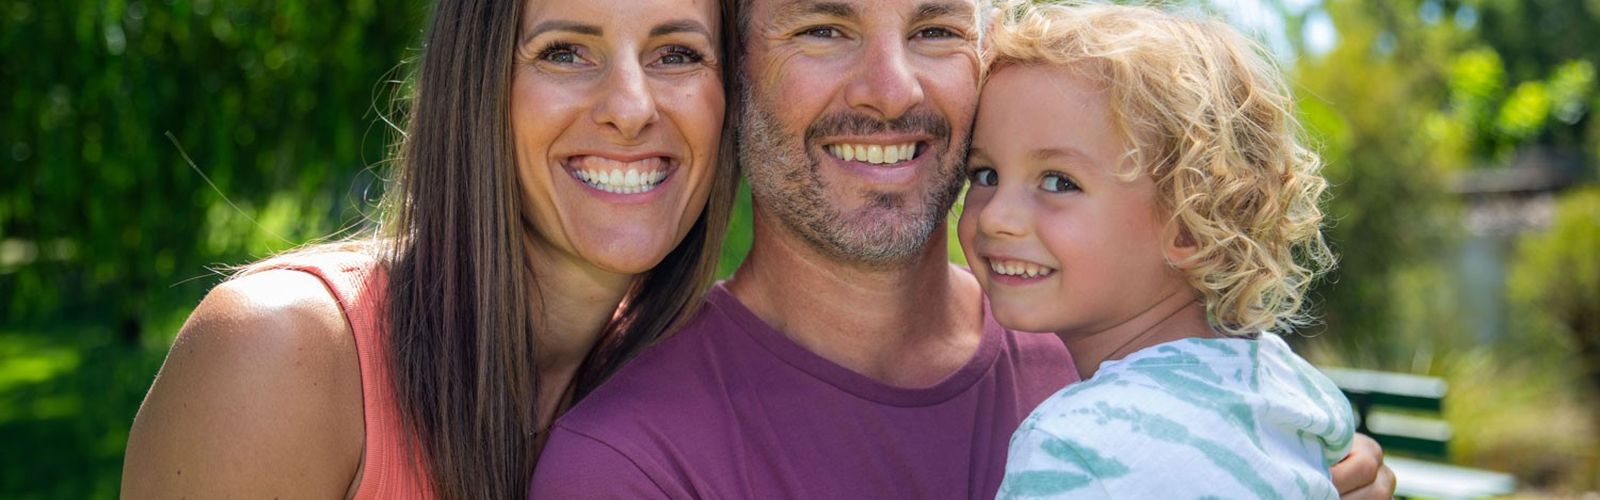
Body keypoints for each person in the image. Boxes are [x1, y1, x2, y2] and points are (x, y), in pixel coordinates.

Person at [531, 0, 1393, 498]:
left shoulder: (1118, 363)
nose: (890, 89)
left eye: (937, 28)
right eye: (824, 27)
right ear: (734, 68)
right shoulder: (631, 464)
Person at [120, 0, 739, 497]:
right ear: (476, 84)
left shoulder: (701, 396)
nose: (631, 109)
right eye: (564, 52)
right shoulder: (276, 359)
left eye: (677, 54)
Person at [959, 4, 1354, 498]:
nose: (995, 216)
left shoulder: (1075, 447)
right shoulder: (1291, 388)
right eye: (984, 175)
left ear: (1191, 224)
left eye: (1058, 182)